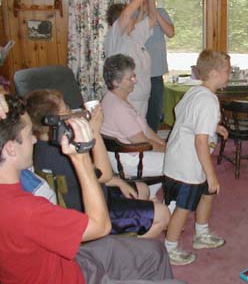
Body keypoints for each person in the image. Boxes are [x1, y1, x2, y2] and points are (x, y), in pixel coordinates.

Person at [0, 94, 183, 284]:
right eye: (29, 134)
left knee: (155, 251)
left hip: (67, 259)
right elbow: (101, 226)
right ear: (11, 148)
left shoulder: (20, 186)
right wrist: (82, 157)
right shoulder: (24, 209)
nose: (34, 140)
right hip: (74, 277)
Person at [26, 89, 169, 238]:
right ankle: (125, 251)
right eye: (66, 109)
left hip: (88, 193)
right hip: (91, 210)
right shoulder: (67, 151)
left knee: (142, 188)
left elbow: (96, 175)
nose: (71, 111)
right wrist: (95, 131)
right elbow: (105, 174)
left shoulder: (38, 147)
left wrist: (119, 182)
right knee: (163, 214)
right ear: (54, 121)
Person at [163, 49, 230, 266]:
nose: (230, 74)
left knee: (208, 194)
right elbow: (200, 141)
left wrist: (214, 126)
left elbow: (181, 113)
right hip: (188, 166)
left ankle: (202, 234)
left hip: (179, 158)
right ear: (214, 73)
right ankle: (170, 248)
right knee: (184, 207)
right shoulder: (209, 101)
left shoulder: (195, 92)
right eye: (227, 71)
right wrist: (211, 175)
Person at [101, 54, 166, 198]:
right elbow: (143, 142)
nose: (135, 81)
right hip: (130, 160)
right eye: (130, 78)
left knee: (173, 156)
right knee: (181, 164)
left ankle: (150, 196)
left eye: (134, 76)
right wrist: (169, 150)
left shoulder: (114, 98)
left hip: (131, 154)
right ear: (116, 82)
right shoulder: (119, 108)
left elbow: (146, 130)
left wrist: (163, 143)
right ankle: (174, 206)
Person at [104, 0, 155, 116]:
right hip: (127, 100)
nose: (133, 17)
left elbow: (152, 19)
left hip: (142, 99)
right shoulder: (114, 37)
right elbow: (126, 14)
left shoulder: (134, 35)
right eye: (132, 16)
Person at [132, 0, 175, 132]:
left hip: (156, 73)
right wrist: (143, 10)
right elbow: (131, 35)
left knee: (154, 113)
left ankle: (152, 143)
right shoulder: (132, 14)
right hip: (136, 74)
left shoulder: (161, 12)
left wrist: (154, 12)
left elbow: (170, 33)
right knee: (136, 113)